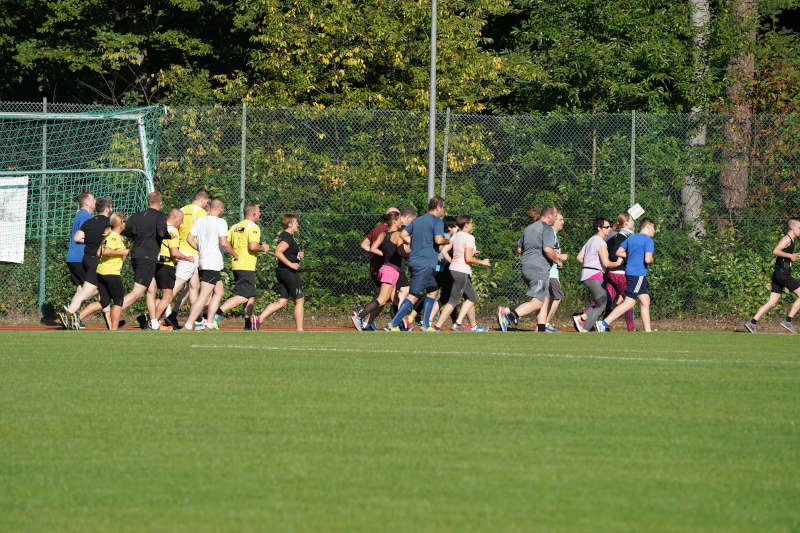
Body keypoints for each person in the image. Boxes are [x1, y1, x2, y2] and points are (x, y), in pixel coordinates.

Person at [386, 196, 449, 331]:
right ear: (438, 207)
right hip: (425, 264)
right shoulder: (437, 221)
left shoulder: (418, 220)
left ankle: (426, 325)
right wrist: (448, 240)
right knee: (413, 295)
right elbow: (438, 240)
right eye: (443, 207)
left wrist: (412, 243)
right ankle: (393, 324)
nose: (444, 210)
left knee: (433, 290)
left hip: (416, 262)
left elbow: (403, 234)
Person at [497, 206, 562, 332]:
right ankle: (509, 317)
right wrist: (557, 260)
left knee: (545, 297)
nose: (556, 218)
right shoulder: (547, 229)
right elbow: (548, 250)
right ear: (549, 216)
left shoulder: (528, 228)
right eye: (555, 216)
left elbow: (519, 249)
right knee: (538, 302)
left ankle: (541, 328)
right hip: (539, 269)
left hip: (526, 267)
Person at [183, 198, 237, 330]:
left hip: (204, 261)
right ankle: (189, 324)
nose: (223, 211)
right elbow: (224, 243)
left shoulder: (201, 220)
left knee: (219, 292)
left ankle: (209, 323)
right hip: (212, 262)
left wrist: (201, 249)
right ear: (219, 209)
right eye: (223, 209)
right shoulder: (221, 222)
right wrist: (235, 254)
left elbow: (189, 239)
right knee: (204, 295)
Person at [60, 197, 114, 329]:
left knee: (102, 291)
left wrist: (90, 240)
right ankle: (69, 313)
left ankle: (111, 326)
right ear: (107, 209)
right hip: (98, 261)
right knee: (87, 291)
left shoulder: (89, 221)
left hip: (86, 259)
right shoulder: (109, 224)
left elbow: (77, 237)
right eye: (111, 207)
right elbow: (111, 241)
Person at [216, 202, 270, 329]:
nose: (260, 213)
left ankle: (247, 325)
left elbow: (225, 241)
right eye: (259, 211)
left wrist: (234, 253)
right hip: (246, 265)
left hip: (237, 265)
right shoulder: (254, 227)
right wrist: (263, 248)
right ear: (253, 214)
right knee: (244, 296)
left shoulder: (235, 226)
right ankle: (217, 313)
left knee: (251, 295)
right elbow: (253, 246)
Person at [596, 218, 656, 332]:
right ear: (647, 227)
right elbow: (648, 259)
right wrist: (652, 259)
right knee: (630, 301)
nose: (654, 231)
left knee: (645, 300)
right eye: (653, 228)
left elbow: (618, 252)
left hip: (629, 272)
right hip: (638, 274)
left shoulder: (631, 238)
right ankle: (603, 323)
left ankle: (648, 331)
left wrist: (631, 255)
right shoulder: (648, 241)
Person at [351, 211, 408, 330]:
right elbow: (402, 252)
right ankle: (359, 316)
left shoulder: (383, 234)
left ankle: (396, 325)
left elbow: (372, 248)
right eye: (399, 220)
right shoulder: (398, 235)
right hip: (391, 270)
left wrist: (384, 254)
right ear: (395, 221)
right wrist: (410, 253)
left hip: (385, 268)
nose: (401, 222)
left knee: (394, 299)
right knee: (381, 300)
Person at [120, 191, 169, 330]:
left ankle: (153, 322)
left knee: (151, 288)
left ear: (148, 202)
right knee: (138, 292)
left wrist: (137, 237)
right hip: (147, 257)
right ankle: (114, 312)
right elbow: (161, 232)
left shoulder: (137, 215)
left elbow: (125, 230)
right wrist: (167, 235)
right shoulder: (160, 216)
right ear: (160, 203)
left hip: (136, 255)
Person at [434, 215, 491, 332]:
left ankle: (466, 324)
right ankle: (441, 325)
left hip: (454, 270)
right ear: (466, 225)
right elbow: (468, 258)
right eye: (470, 223)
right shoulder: (470, 238)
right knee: (454, 300)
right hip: (462, 271)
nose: (472, 225)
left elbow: (444, 250)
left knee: (471, 297)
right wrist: (483, 262)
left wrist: (452, 261)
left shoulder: (455, 236)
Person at [745, 218, 800, 334]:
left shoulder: (791, 240)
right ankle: (788, 321)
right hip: (782, 273)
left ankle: (752, 322)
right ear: (792, 228)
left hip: (778, 273)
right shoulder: (787, 239)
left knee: (773, 302)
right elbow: (775, 251)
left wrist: (790, 257)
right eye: (799, 228)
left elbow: (782, 256)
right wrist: (790, 256)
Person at [167, 188, 211, 328]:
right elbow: (204, 233)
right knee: (178, 285)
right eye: (206, 202)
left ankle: (196, 318)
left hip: (181, 249)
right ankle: (157, 310)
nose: (206, 205)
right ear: (203, 200)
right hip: (191, 253)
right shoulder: (200, 212)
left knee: (194, 286)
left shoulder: (182, 209)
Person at [255, 214, 305, 331]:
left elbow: (286, 254)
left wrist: (297, 256)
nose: (297, 225)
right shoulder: (287, 237)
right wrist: (291, 264)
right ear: (290, 224)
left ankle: (258, 320)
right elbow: (278, 252)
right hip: (288, 272)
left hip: (282, 272)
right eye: (296, 223)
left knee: (281, 302)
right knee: (300, 300)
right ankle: (300, 329)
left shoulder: (285, 236)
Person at [572, 217, 622, 333]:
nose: (609, 229)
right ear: (599, 228)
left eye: (609, 226)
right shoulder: (600, 242)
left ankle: (582, 319)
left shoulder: (591, 240)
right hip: (594, 274)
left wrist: (589, 263)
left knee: (601, 302)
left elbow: (579, 257)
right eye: (606, 227)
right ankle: (584, 328)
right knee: (602, 303)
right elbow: (606, 263)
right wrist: (618, 263)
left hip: (587, 274)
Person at [152, 208, 195, 330]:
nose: (181, 223)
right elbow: (174, 253)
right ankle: (153, 321)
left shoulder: (159, 228)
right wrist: (187, 258)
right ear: (175, 218)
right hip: (166, 266)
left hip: (156, 264)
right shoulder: (173, 231)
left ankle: (154, 319)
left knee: (159, 296)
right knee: (168, 297)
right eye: (181, 220)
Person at [61, 192, 96, 327]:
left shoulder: (80, 215)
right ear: (87, 203)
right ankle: (70, 312)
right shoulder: (86, 217)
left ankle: (71, 318)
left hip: (72, 257)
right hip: (80, 258)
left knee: (81, 289)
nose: (95, 201)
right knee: (96, 288)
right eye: (93, 199)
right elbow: (79, 236)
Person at [95, 212, 130, 330]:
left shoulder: (108, 236)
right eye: (124, 221)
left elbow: (98, 253)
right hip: (111, 273)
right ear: (120, 224)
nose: (125, 223)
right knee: (118, 300)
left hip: (101, 271)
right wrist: (122, 253)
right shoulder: (114, 237)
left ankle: (78, 317)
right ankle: (114, 328)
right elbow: (106, 252)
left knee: (104, 302)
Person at [536, 211, 567, 332]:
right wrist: (560, 257)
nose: (562, 222)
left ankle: (541, 325)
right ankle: (545, 324)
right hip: (550, 272)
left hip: (551, 271)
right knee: (557, 297)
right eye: (560, 220)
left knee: (542, 301)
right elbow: (548, 251)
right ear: (553, 221)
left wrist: (558, 259)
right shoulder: (550, 234)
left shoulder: (552, 235)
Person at [604, 213, 636, 332]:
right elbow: (615, 253)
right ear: (626, 223)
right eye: (632, 221)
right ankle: (631, 328)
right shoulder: (624, 237)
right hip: (619, 273)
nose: (633, 222)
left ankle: (589, 318)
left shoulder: (615, 236)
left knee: (607, 300)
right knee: (629, 300)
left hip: (610, 273)